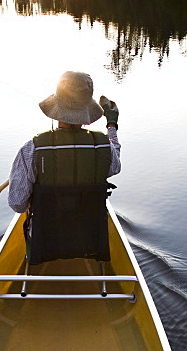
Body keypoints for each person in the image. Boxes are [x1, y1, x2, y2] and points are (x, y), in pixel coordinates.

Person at [8, 71, 121, 265]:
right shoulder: (104, 146)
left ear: (56, 110)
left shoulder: (32, 149)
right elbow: (114, 166)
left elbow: (17, 204)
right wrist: (112, 125)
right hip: (91, 238)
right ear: (87, 111)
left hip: (45, 241)